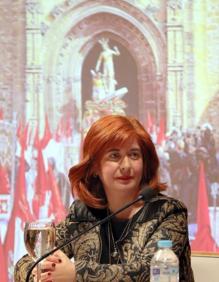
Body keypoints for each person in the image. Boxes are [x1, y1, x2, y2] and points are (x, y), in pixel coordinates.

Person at [14, 115, 194, 282]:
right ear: (94, 167)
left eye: (134, 155)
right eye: (114, 156)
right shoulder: (82, 213)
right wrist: (43, 273)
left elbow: (147, 273)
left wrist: (77, 274)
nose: (126, 166)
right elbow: (24, 265)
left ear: (145, 163)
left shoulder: (169, 213)